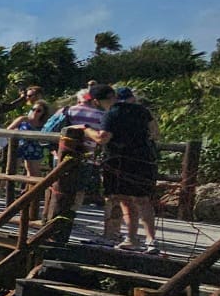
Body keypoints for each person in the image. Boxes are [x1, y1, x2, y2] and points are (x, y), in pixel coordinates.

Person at [103, 86, 161, 252]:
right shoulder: (143, 111)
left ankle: (131, 238)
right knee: (143, 200)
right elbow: (155, 133)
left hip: (120, 159)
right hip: (143, 159)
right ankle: (151, 239)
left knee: (125, 200)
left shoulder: (111, 113)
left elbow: (105, 137)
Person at [62, 84, 117, 239]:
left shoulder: (68, 110)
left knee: (61, 188)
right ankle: (69, 218)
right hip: (87, 157)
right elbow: (103, 138)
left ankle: (58, 219)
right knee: (79, 191)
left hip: (63, 154)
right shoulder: (103, 116)